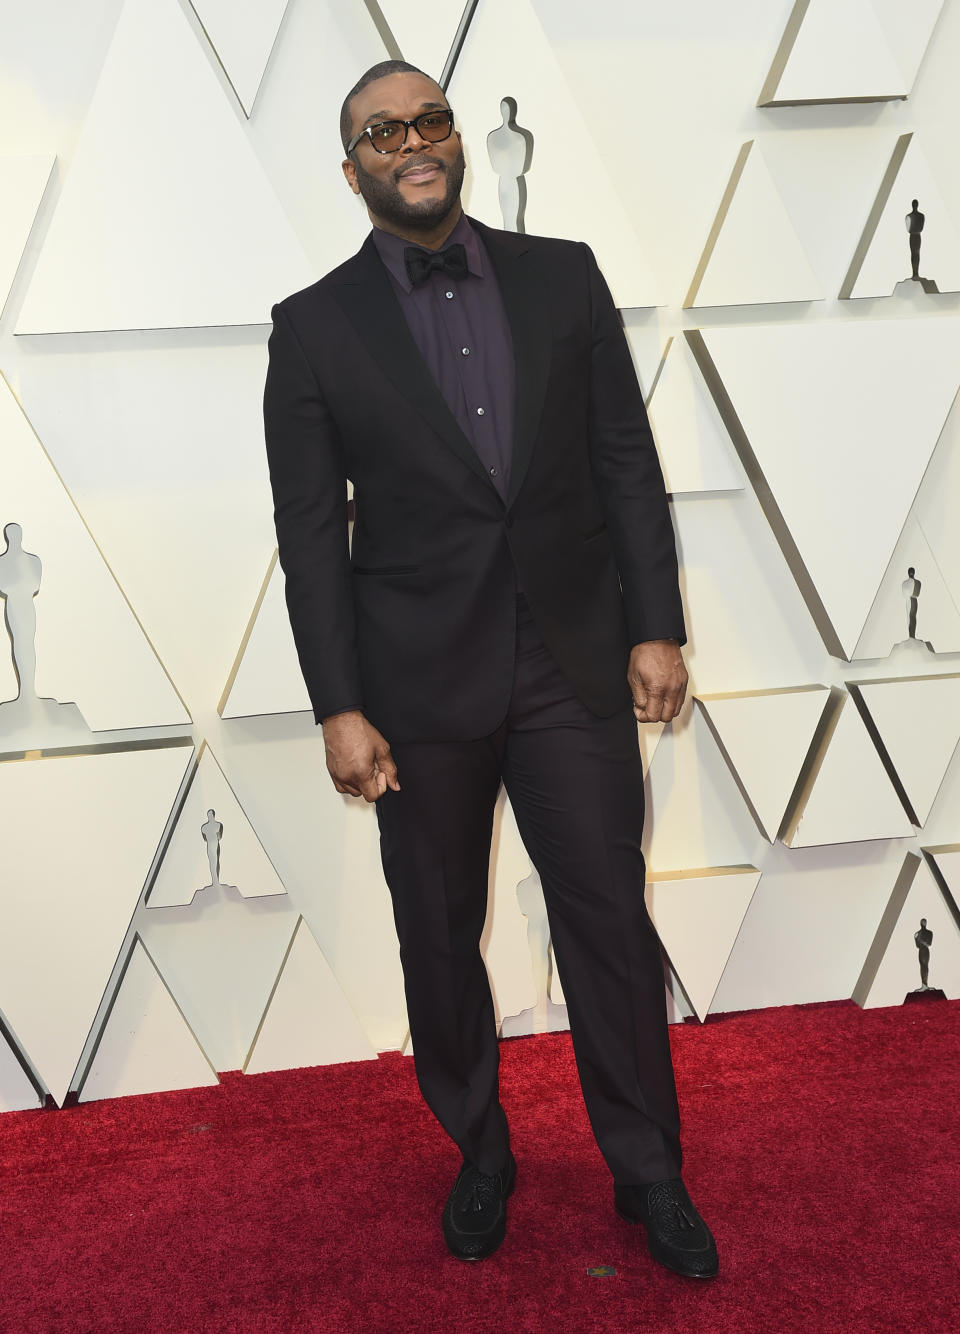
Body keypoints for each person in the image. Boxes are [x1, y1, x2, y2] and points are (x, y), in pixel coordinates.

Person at [263, 60, 717, 1280]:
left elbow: (626, 460)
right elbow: (311, 535)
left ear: (455, 140)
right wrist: (340, 705)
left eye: (429, 120)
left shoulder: (561, 276)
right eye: (381, 131)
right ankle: (480, 1148)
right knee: (436, 934)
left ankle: (649, 1171)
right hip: (415, 691)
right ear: (352, 164)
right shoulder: (312, 326)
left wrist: (655, 623)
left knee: (610, 923)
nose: (412, 142)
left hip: (570, 661)